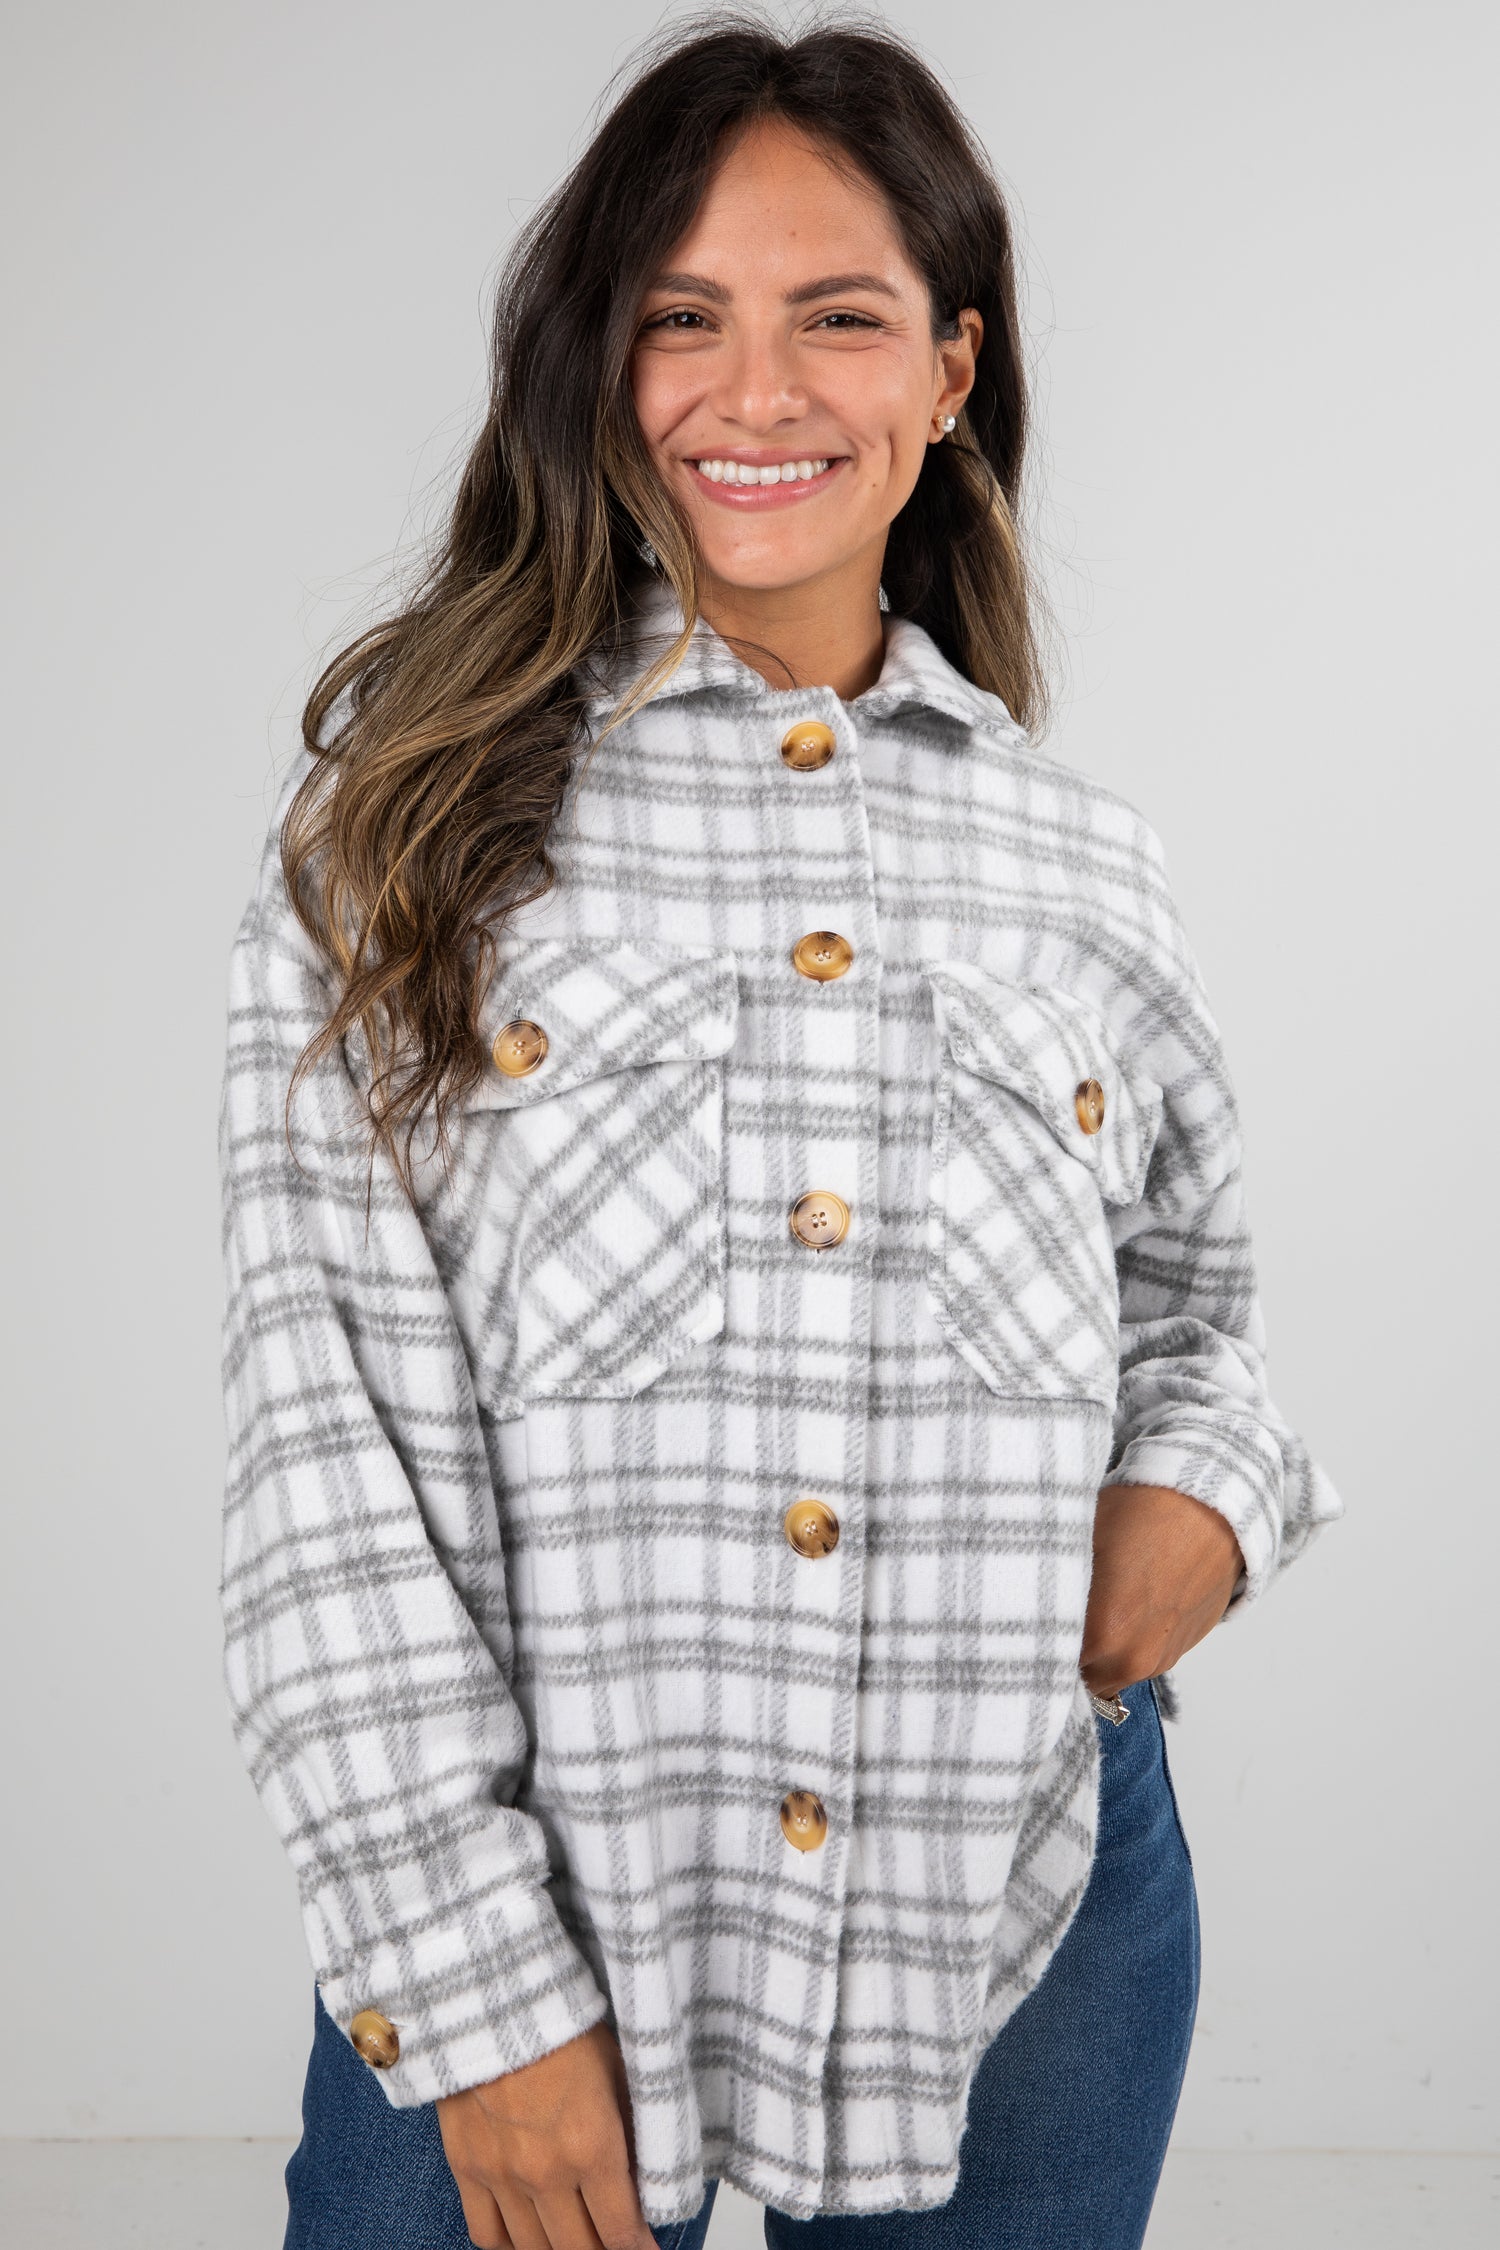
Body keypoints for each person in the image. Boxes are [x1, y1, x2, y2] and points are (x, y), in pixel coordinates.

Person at [217, 19, 1343, 2250]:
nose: (759, 395)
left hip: (1022, 1919)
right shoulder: (416, 833)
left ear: (948, 370)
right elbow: (324, 1452)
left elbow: (1197, 1312)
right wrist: (475, 1993)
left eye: (838, 317)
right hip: (538, 1936)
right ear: (598, 369)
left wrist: (1207, 1499)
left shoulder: (1079, 862)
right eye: (681, 321)